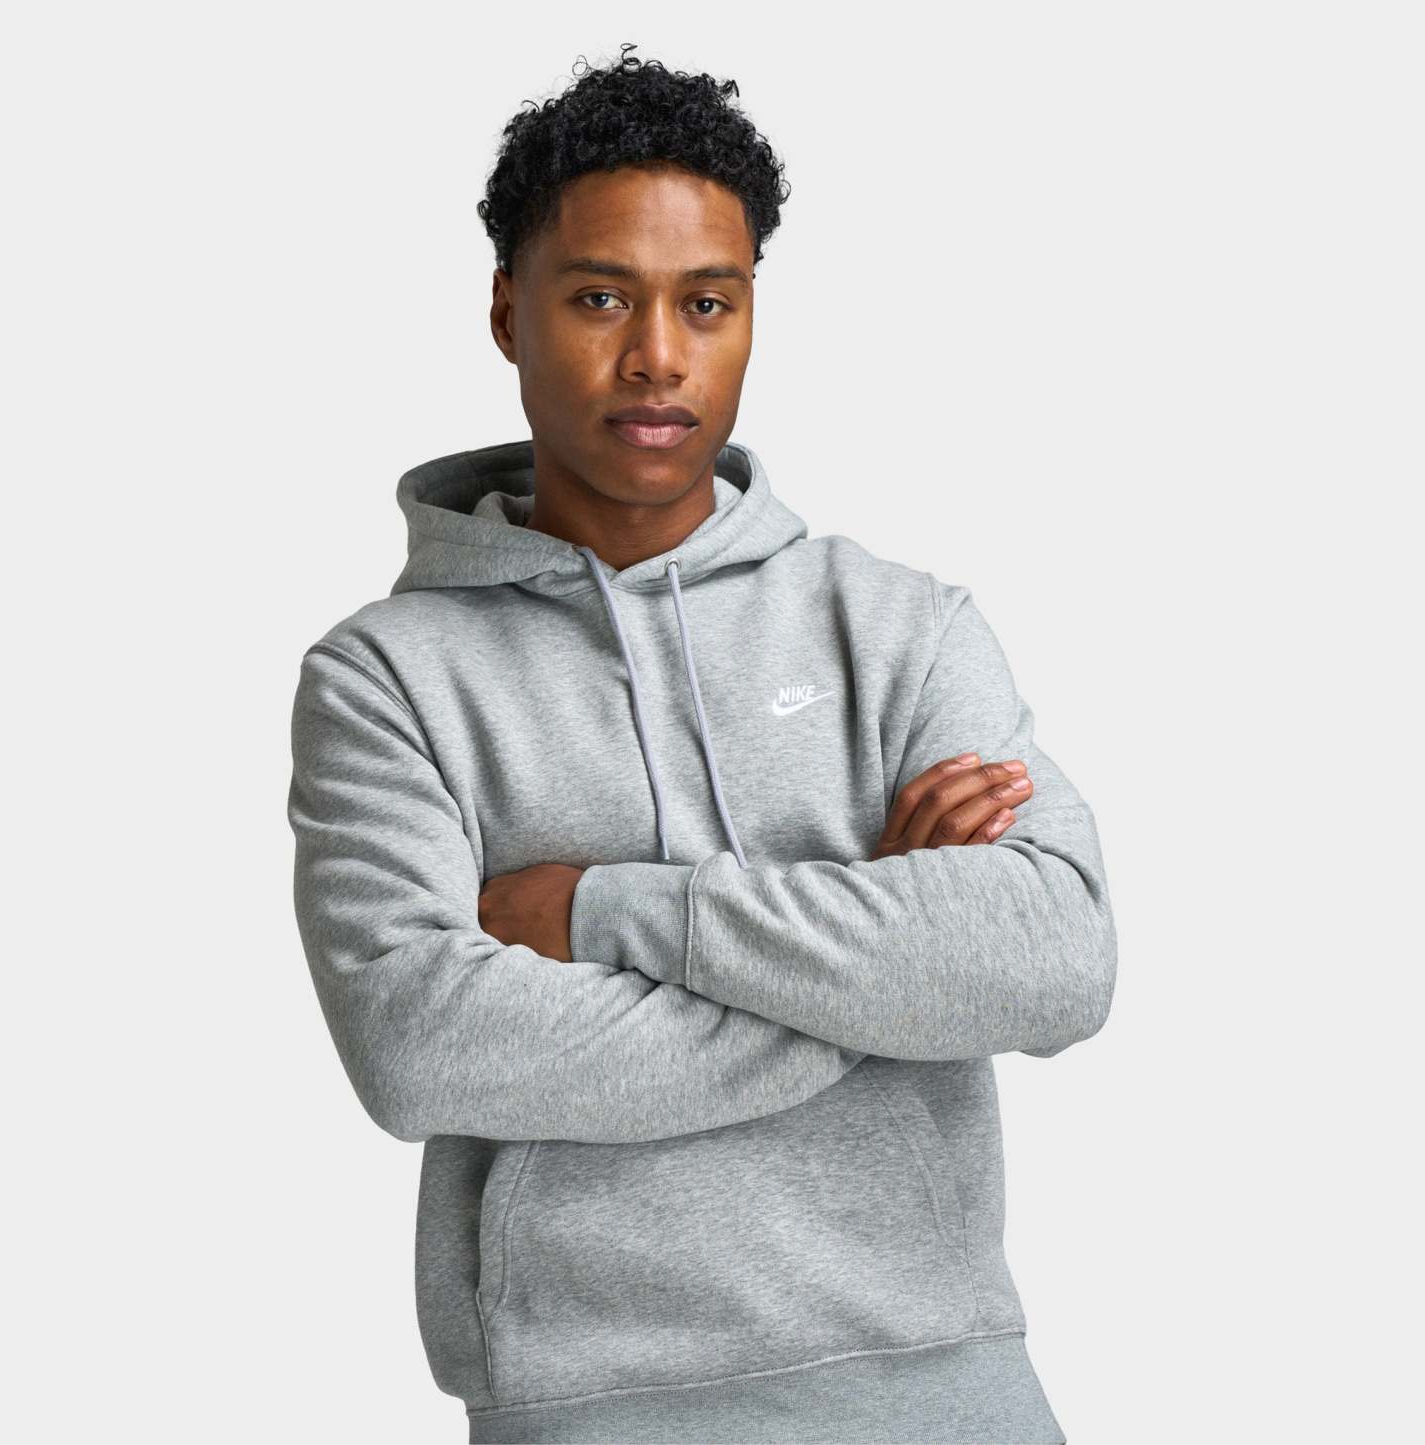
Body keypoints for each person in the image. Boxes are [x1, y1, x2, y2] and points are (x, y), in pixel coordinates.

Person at [287, 42, 1117, 1445]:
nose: (658, 356)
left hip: (951, 1391)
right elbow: (422, 1046)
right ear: (507, 311)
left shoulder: (900, 626)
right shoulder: (390, 678)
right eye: (601, 296)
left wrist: (600, 911)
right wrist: (879, 968)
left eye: (706, 302)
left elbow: (1055, 959)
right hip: (592, 1406)